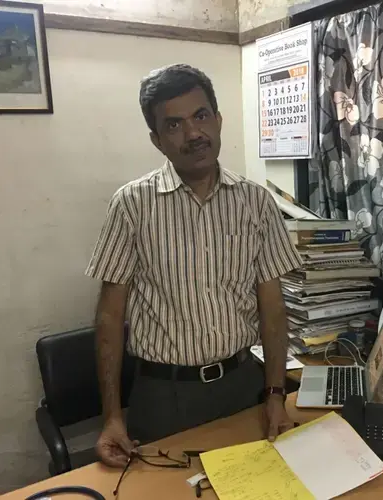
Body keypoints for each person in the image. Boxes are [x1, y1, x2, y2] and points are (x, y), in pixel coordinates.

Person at [85, 64, 303, 468]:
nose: (193, 134)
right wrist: (113, 416)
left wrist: (275, 394)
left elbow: (272, 307)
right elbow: (110, 317)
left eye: (201, 116)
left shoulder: (255, 202)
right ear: (156, 140)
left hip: (242, 386)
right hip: (164, 396)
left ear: (218, 120)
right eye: (174, 125)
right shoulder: (132, 205)